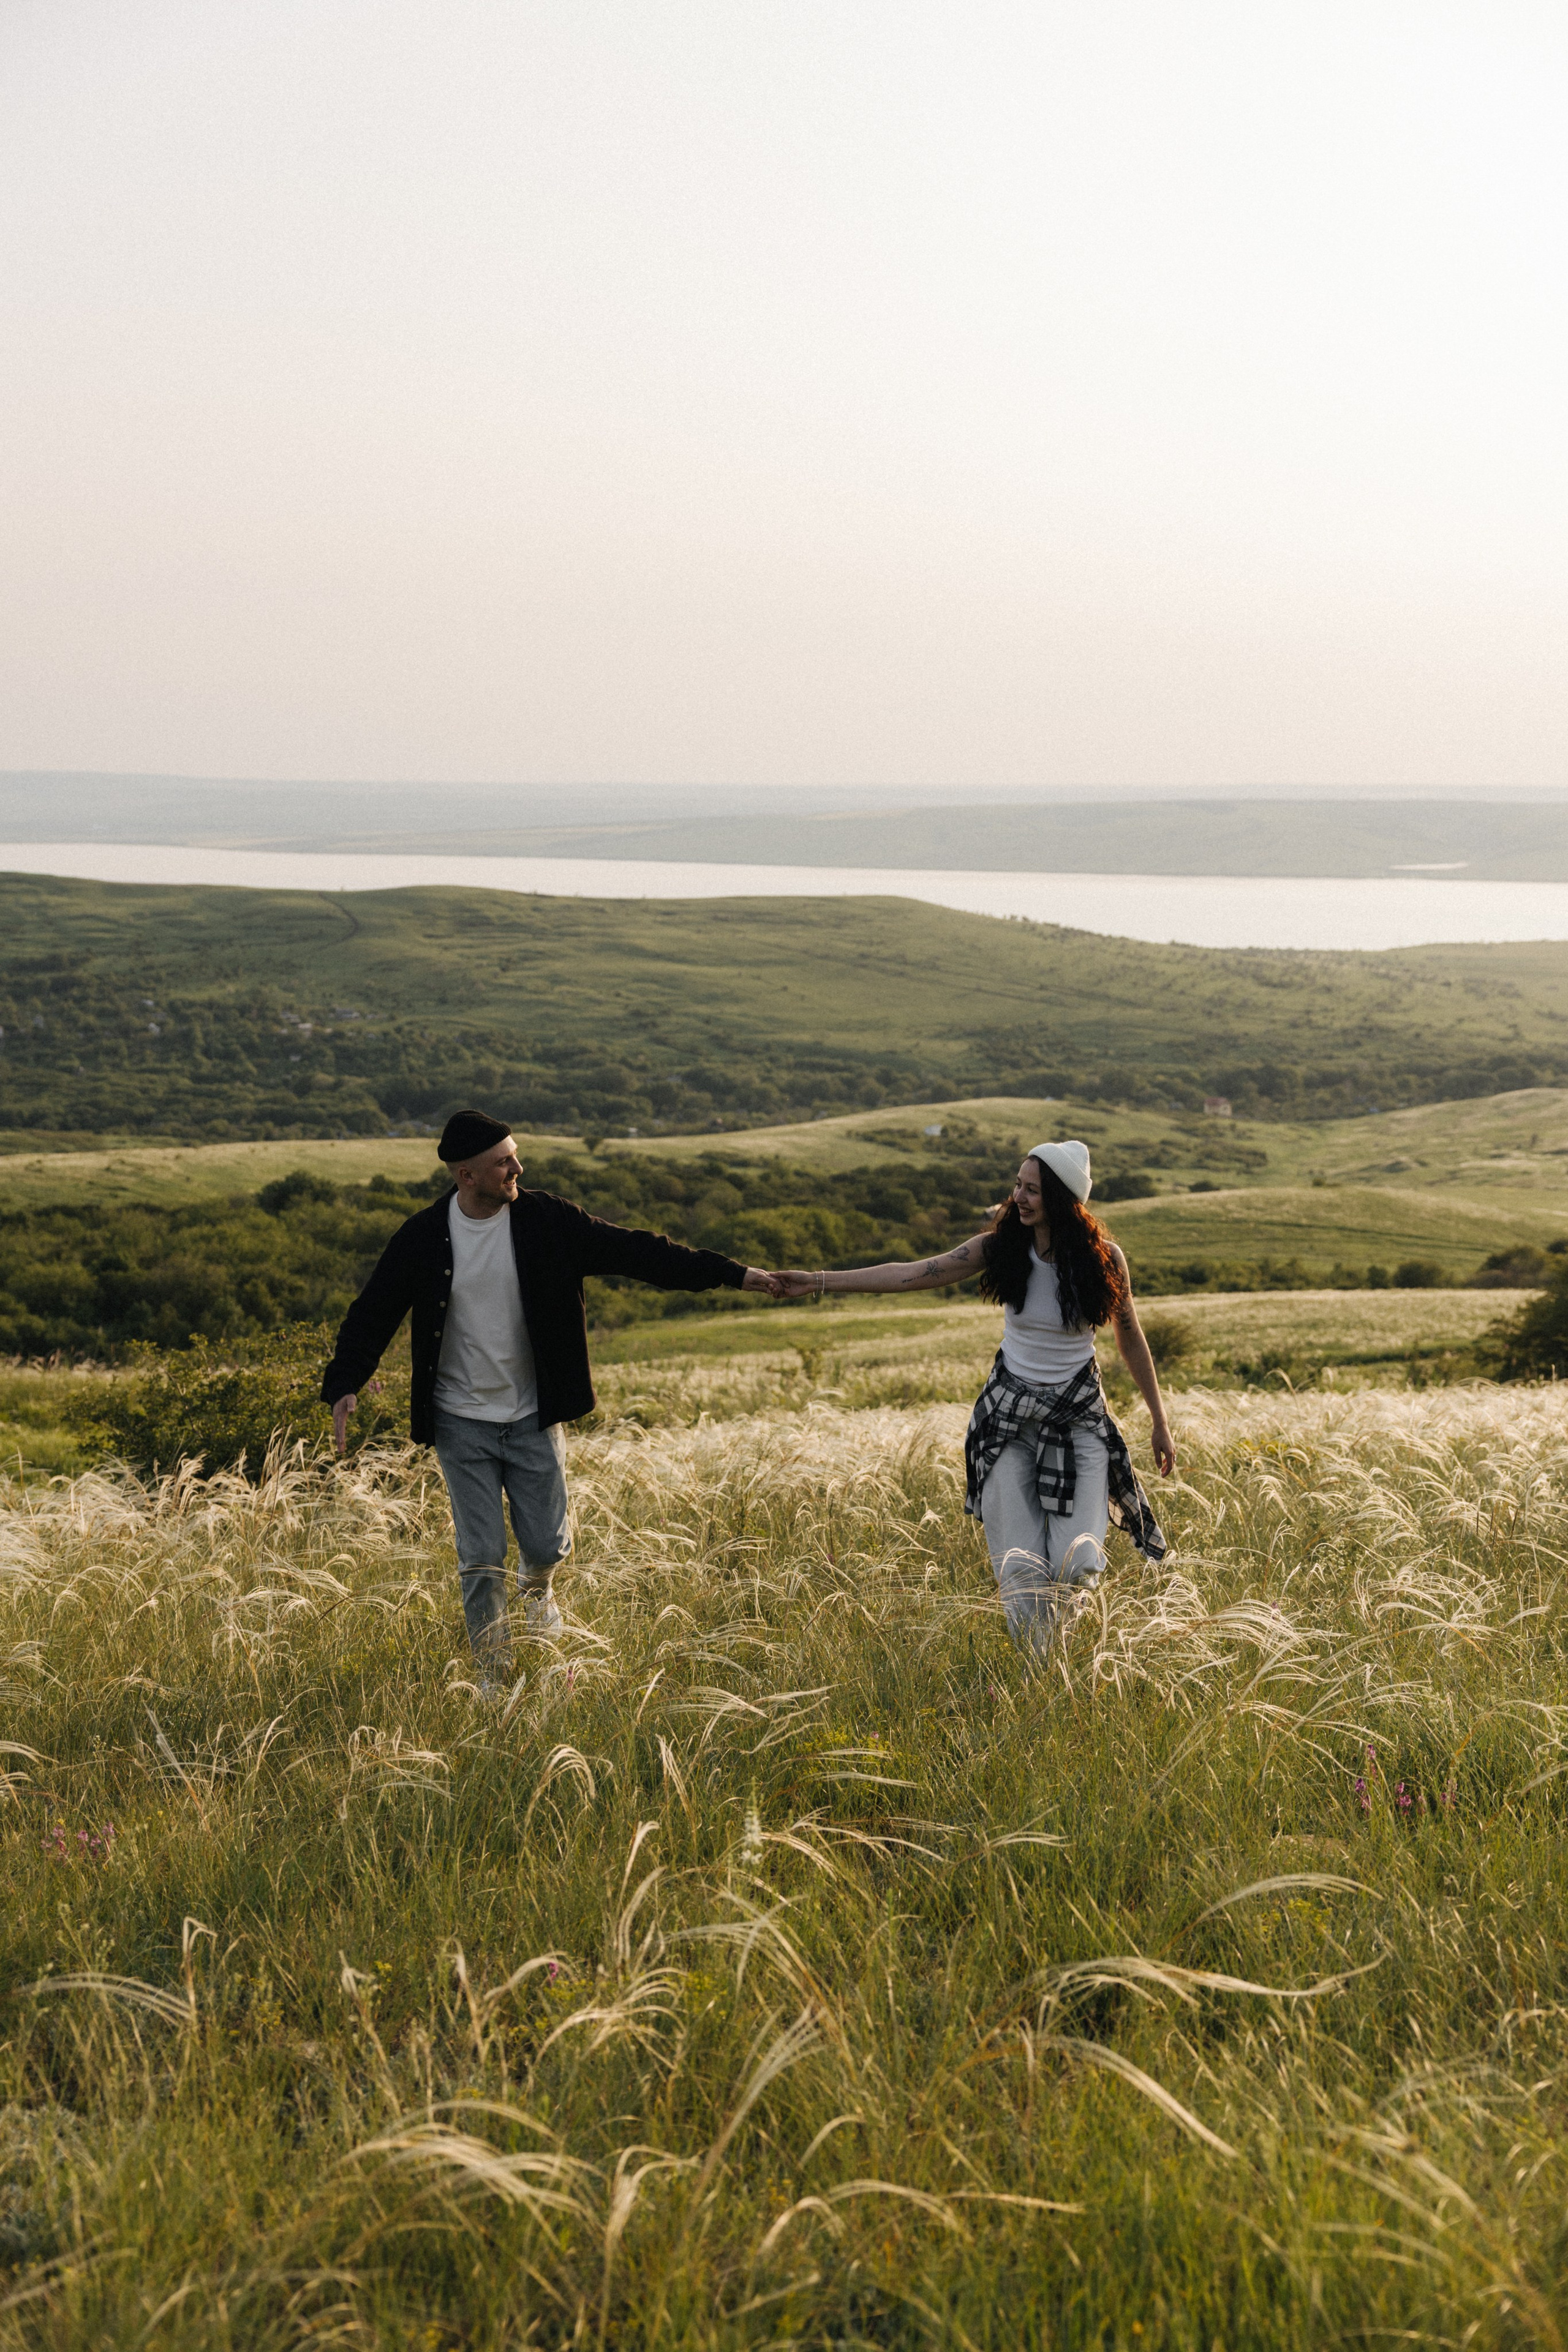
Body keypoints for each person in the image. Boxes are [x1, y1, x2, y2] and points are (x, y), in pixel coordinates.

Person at [321, 1110, 784, 1684]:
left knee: (545, 1545)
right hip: (460, 1420)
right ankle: (495, 1681)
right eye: (503, 1162)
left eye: (515, 1155)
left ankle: (537, 1588)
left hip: (532, 1413)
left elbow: (641, 1253)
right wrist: (344, 1383)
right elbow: (374, 1312)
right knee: (481, 1557)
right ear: (466, 1176)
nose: (518, 1167)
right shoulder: (421, 1238)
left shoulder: (547, 1220)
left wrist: (733, 1275)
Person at [779, 1140, 1174, 1658]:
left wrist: (1159, 1422)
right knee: (1019, 1564)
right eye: (1018, 1186)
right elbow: (911, 1273)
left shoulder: (1104, 1260)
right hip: (1007, 1420)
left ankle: (1057, 1641)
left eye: (1032, 1190)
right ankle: (1042, 1674)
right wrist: (816, 1281)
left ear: (1062, 1198)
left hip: (1078, 1420)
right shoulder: (1000, 1246)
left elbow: (1131, 1338)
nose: (1019, 1198)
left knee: (1076, 1563)